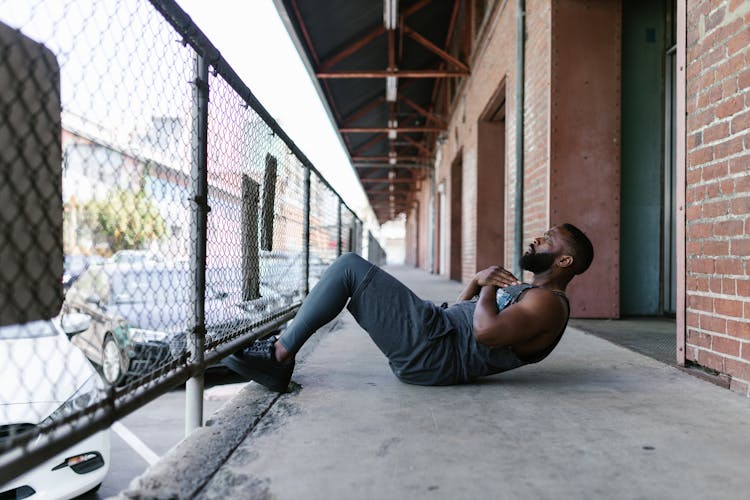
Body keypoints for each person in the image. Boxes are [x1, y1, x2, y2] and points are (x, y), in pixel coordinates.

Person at [224, 223, 594, 392]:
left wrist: (485, 286)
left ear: (563, 261)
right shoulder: (531, 292)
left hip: (435, 354)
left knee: (350, 268)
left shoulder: (548, 304)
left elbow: (484, 333)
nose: (537, 238)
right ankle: (273, 351)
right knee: (351, 277)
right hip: (438, 333)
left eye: (548, 240)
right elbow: (465, 315)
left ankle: (277, 356)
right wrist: (475, 284)